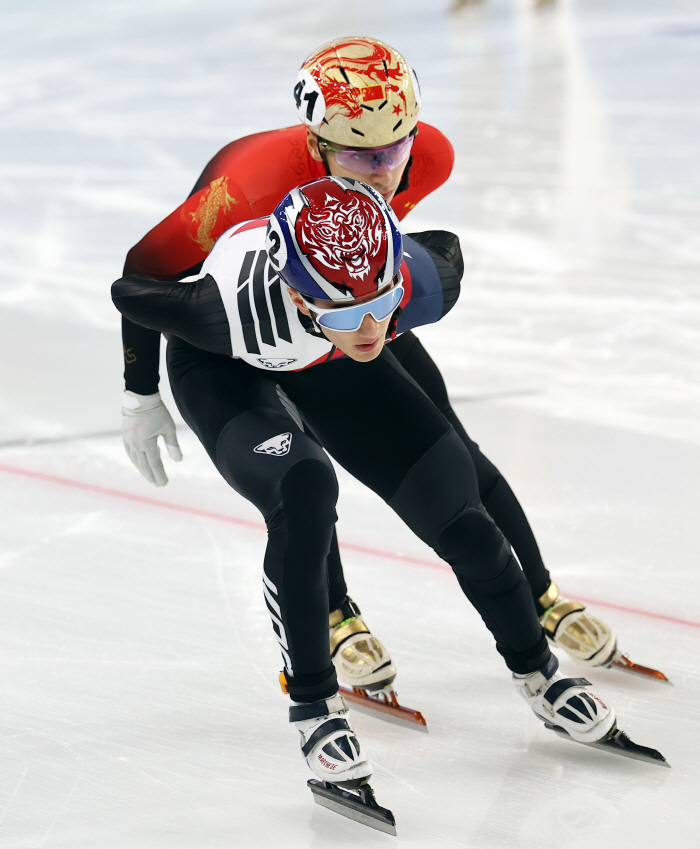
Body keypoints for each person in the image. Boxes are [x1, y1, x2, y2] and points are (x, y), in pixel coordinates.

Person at [120, 37, 621, 702]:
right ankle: (333, 614)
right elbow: (146, 269)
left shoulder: (429, 157)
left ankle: (540, 593)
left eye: (394, 148)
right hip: (243, 327)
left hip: (349, 312)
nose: (381, 170)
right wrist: (140, 390)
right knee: (301, 479)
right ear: (316, 139)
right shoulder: (249, 186)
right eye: (358, 153)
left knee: (450, 448)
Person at [113, 176, 641, 800]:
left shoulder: (419, 283)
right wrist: (140, 393)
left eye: (381, 302)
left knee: (462, 514)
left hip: (331, 363)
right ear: (298, 295)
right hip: (226, 369)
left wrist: (360, 313)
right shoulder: (223, 310)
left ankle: (539, 674)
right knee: (305, 493)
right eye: (343, 308)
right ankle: (313, 708)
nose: (367, 324)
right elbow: (132, 291)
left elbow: (439, 248)